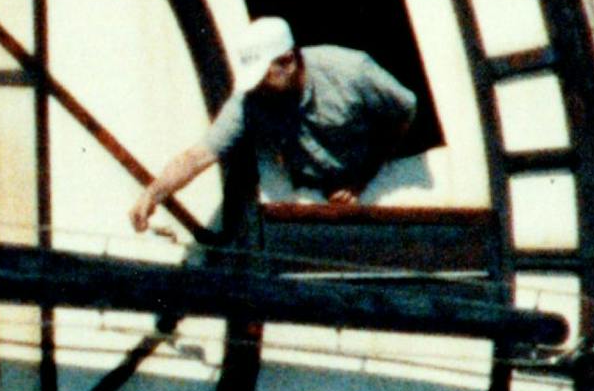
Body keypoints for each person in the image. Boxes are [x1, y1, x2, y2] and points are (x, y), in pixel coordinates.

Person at [129, 17, 418, 233]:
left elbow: (404, 112)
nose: (258, 90)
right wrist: (152, 194)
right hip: (307, 198)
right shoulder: (251, 99)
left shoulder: (352, 71)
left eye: (262, 79)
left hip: (373, 184)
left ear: (288, 60)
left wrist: (363, 177)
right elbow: (198, 155)